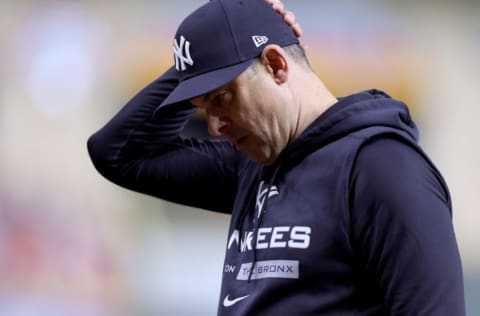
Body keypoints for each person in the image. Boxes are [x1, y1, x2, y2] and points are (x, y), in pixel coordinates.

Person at [87, 0, 466, 314]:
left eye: (221, 99)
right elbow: (117, 153)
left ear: (276, 65)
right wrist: (198, 60)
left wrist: (220, 52)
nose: (215, 126)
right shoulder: (252, 165)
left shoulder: (381, 166)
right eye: (202, 106)